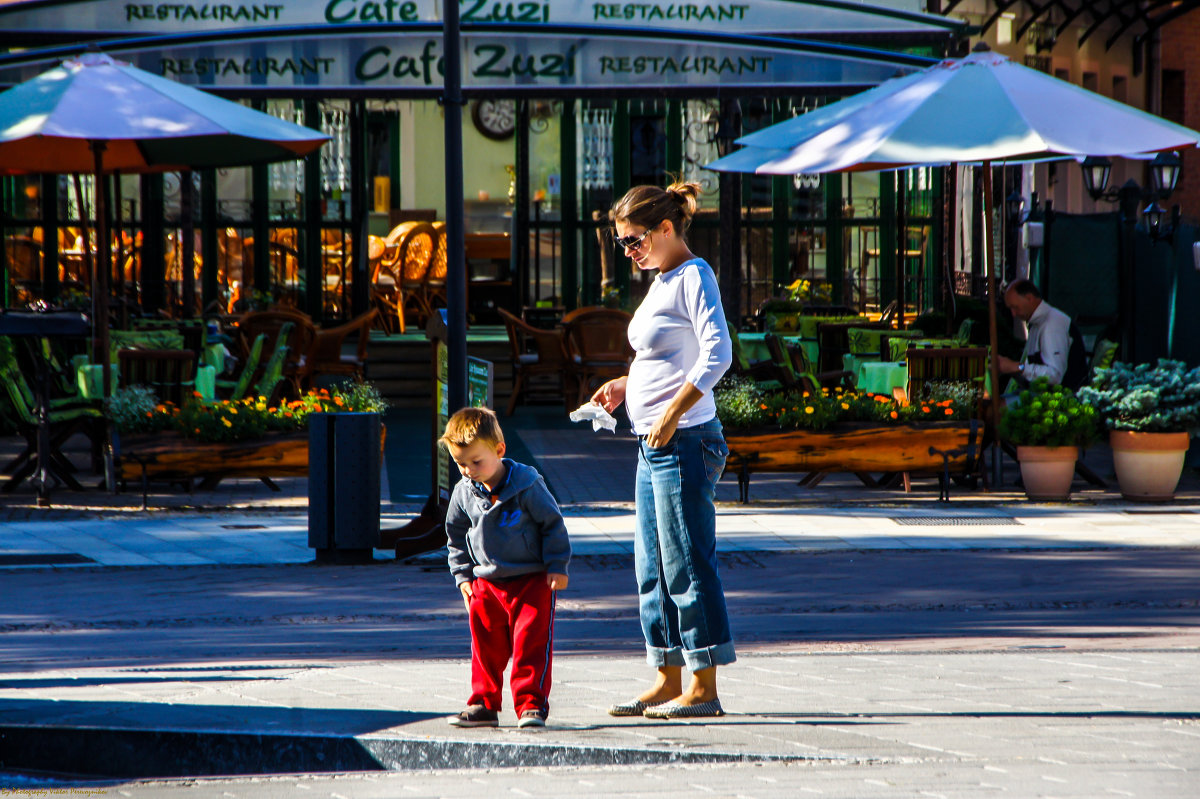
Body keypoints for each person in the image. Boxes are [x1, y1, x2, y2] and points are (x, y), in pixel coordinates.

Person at [591, 181, 735, 720]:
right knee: (650, 564)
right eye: (623, 243)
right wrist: (626, 387)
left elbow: (717, 354)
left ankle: (703, 685)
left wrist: (672, 413)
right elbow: (669, 353)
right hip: (654, 444)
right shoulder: (661, 279)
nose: (629, 251)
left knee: (687, 564)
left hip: (685, 441)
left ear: (667, 228)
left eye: (634, 240)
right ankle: (665, 674)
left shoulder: (694, 276)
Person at [441, 406, 571, 729]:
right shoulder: (462, 493)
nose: (468, 470)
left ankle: (531, 705)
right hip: (486, 583)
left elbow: (552, 524)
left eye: (476, 462)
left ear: (499, 450)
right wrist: (462, 577)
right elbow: (455, 536)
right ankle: (484, 704)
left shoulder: (526, 484)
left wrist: (557, 565)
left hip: (531, 581)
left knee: (531, 643)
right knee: (485, 645)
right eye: (460, 464)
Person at [996, 279, 1087, 390]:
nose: (1013, 314)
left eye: (1015, 307)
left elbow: (1054, 375)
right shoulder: (1038, 324)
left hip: (1061, 400)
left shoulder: (1052, 324)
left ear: (1029, 298)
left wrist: (1016, 367)